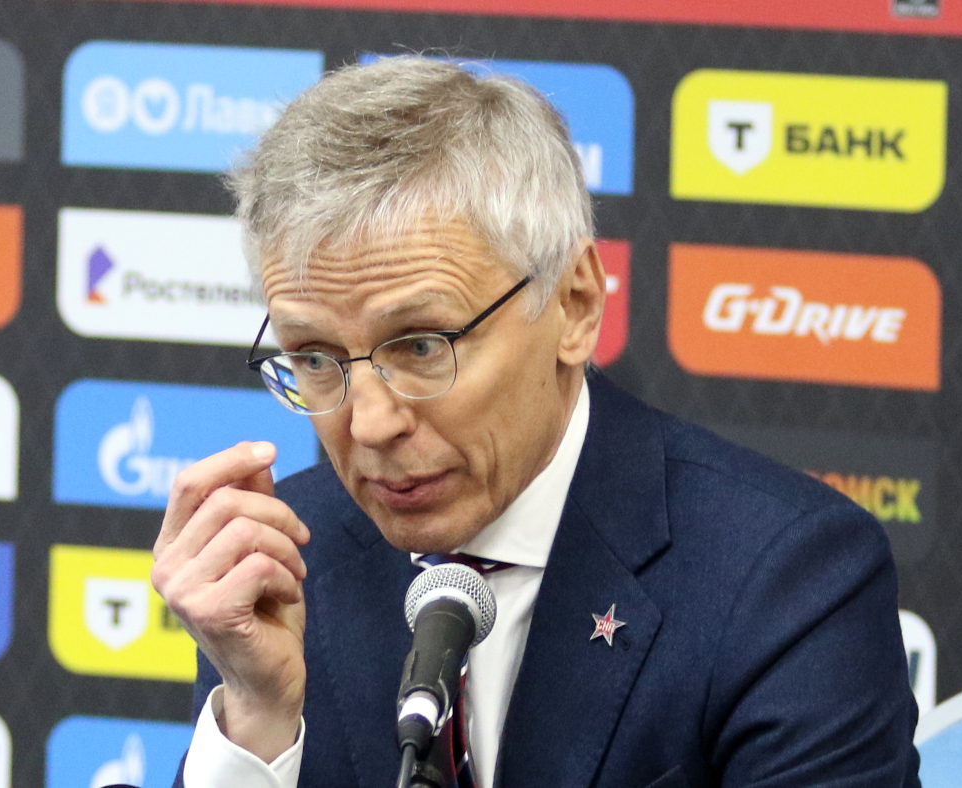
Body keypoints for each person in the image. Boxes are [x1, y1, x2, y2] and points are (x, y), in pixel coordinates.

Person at [151, 56, 921, 788]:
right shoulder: (285, 559)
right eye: (316, 357)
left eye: (422, 346)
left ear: (575, 305)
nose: (371, 425)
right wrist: (255, 716)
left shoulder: (785, 580)